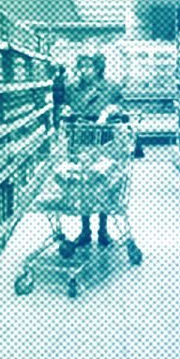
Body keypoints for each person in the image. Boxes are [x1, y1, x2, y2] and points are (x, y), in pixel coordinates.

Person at [61, 53, 123, 249]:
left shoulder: (111, 87)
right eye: (81, 66)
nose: (83, 71)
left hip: (105, 140)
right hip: (79, 140)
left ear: (98, 68)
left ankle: (103, 230)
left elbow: (120, 107)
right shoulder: (71, 88)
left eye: (88, 66)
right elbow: (65, 106)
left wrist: (110, 111)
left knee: (104, 182)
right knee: (83, 185)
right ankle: (85, 230)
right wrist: (65, 112)